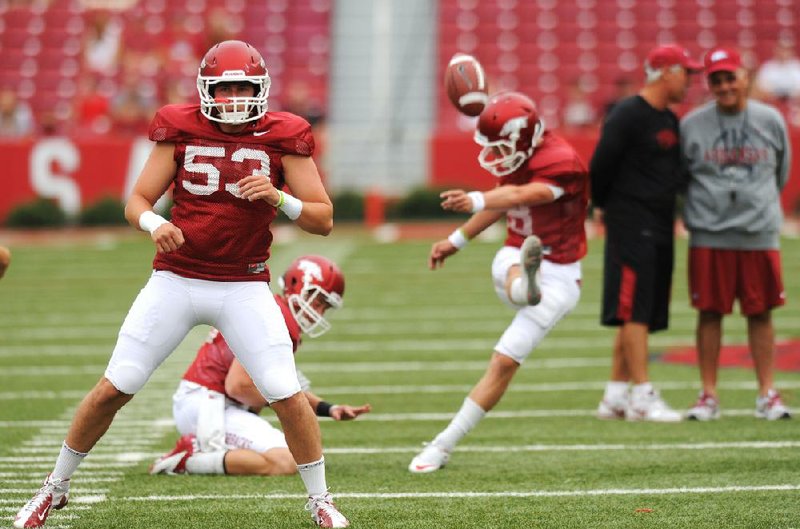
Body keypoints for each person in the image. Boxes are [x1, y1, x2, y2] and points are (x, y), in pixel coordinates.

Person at [14, 40, 350, 529]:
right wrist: (154, 223)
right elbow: (136, 200)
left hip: (243, 283)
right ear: (205, 91)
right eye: (225, 87)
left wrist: (280, 197)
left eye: (244, 87)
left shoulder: (284, 135)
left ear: (261, 89)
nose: (235, 97)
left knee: (283, 391)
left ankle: (320, 499)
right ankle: (54, 487)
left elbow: (322, 219)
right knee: (117, 386)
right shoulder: (180, 125)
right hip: (177, 277)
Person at [408, 91, 589, 473]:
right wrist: (456, 240)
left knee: (504, 361)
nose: (493, 154)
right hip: (519, 252)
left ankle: (443, 444)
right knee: (509, 267)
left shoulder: (562, 162)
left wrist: (474, 199)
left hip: (561, 276)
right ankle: (524, 284)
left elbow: (524, 193)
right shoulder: (522, 150)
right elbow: (504, 202)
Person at [148, 255, 371, 476]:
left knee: (302, 453)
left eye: (325, 307)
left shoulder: (274, 311)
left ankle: (205, 451)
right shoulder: (277, 319)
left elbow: (284, 387)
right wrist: (292, 409)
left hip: (205, 402)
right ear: (297, 287)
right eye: (318, 302)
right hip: (209, 405)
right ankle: (188, 459)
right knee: (289, 460)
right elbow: (239, 386)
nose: (319, 313)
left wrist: (327, 408)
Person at [590, 44, 703, 422]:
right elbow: (601, 165)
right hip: (631, 222)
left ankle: (615, 395)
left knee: (641, 310)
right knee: (634, 309)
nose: (689, 80)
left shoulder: (668, 119)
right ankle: (641, 395)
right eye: (685, 72)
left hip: (658, 224)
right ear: (665, 71)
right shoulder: (628, 114)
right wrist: (603, 207)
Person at [681, 46, 792, 421]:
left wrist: (757, 207)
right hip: (709, 235)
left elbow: (782, 171)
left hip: (758, 232)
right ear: (708, 84)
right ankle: (708, 394)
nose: (725, 86)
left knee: (761, 313)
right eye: (717, 79)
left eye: (731, 77)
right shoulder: (692, 125)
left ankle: (767, 393)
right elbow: (684, 178)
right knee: (710, 314)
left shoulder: (771, 119)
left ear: (745, 77)